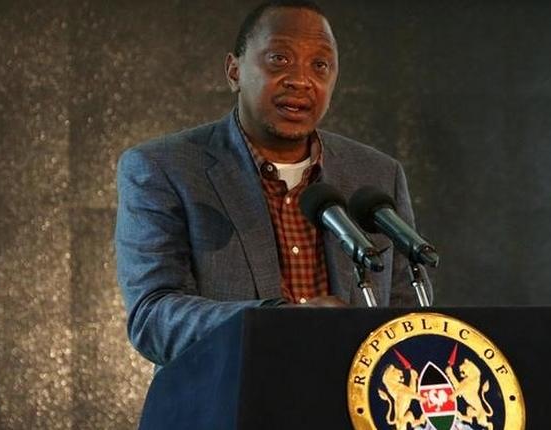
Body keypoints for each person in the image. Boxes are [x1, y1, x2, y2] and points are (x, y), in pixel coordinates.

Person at [115, 0, 430, 367]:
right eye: (279, 59)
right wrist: (279, 323)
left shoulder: (376, 175)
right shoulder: (164, 168)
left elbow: (408, 319)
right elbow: (153, 319)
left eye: (320, 65)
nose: (301, 79)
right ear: (234, 71)